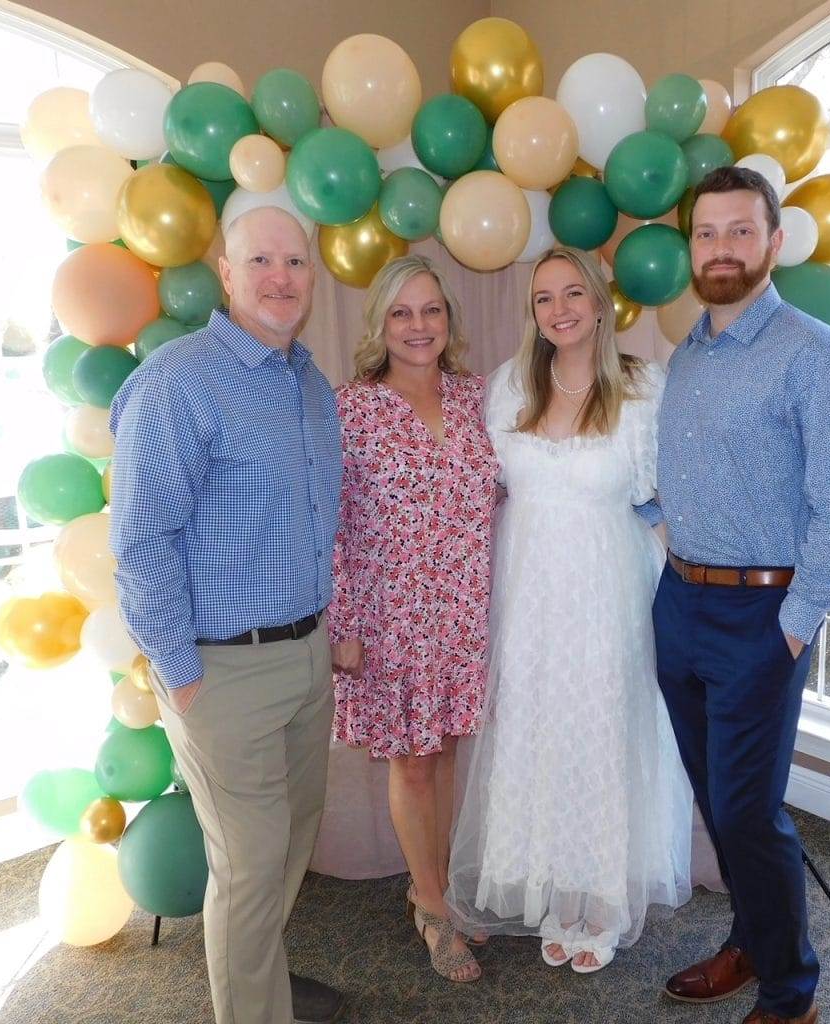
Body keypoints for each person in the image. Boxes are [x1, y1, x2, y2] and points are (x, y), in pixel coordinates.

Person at [649, 165, 830, 1024]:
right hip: (680, 605)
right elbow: (687, 476)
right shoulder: (690, 354)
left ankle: (792, 995)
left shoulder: (814, 356)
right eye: (707, 233)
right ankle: (751, 939)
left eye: (741, 231)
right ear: (690, 248)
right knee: (717, 799)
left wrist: (792, 626)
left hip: (760, 617)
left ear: (774, 243)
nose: (721, 249)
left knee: (749, 812)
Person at [109, 206, 346, 1024]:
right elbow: (140, 542)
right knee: (249, 866)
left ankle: (259, 984)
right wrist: (180, 675)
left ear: (311, 277)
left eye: (295, 262)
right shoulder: (180, 381)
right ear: (225, 272)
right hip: (223, 674)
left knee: (287, 851)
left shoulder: (311, 385)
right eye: (261, 262)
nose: (280, 278)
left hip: (307, 658)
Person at [446, 246, 693, 974]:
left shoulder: (644, 389)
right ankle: (556, 887)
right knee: (538, 731)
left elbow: (661, 501)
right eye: (545, 297)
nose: (560, 309)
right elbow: (477, 492)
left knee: (601, 731)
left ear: (600, 301)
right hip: (526, 593)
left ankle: (601, 898)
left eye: (573, 293)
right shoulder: (507, 388)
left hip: (608, 590)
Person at [329, 254, 499, 983]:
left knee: (447, 754)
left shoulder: (477, 399)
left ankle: (435, 886)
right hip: (390, 614)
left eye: (431, 310)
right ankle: (432, 907)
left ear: (449, 321)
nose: (418, 326)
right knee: (412, 763)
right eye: (402, 312)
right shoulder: (351, 406)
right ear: (381, 325)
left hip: (462, 610)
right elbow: (331, 521)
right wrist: (344, 625)